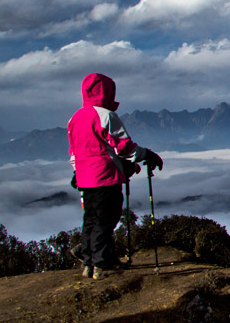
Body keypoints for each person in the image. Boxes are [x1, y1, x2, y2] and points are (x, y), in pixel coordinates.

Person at [68, 72, 163, 280]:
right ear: (107, 91)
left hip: (85, 178)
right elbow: (124, 148)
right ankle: (102, 264)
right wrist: (147, 155)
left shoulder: (75, 118)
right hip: (105, 177)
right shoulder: (106, 116)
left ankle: (89, 262)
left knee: (91, 219)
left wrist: (77, 173)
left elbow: (74, 152)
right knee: (106, 219)